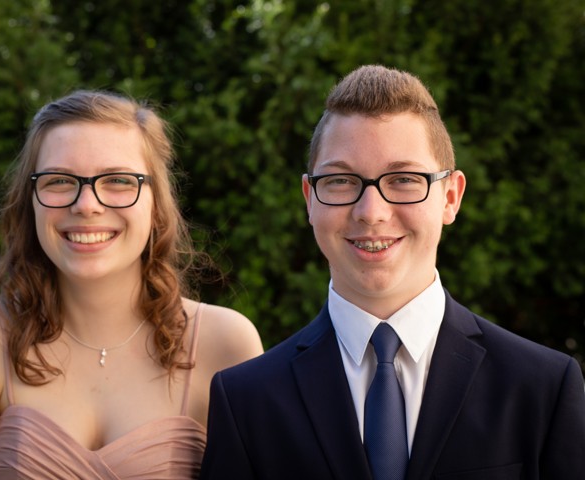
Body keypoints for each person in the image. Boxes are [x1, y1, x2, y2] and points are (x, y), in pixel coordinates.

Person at [200, 65, 585, 479]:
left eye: (403, 179)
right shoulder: (245, 400)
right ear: (310, 199)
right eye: (341, 180)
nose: (371, 212)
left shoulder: (542, 387)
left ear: (450, 198)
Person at [0, 90, 263, 479]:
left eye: (117, 180)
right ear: (30, 200)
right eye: (59, 180)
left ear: (156, 202)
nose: (86, 205)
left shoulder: (226, 344)